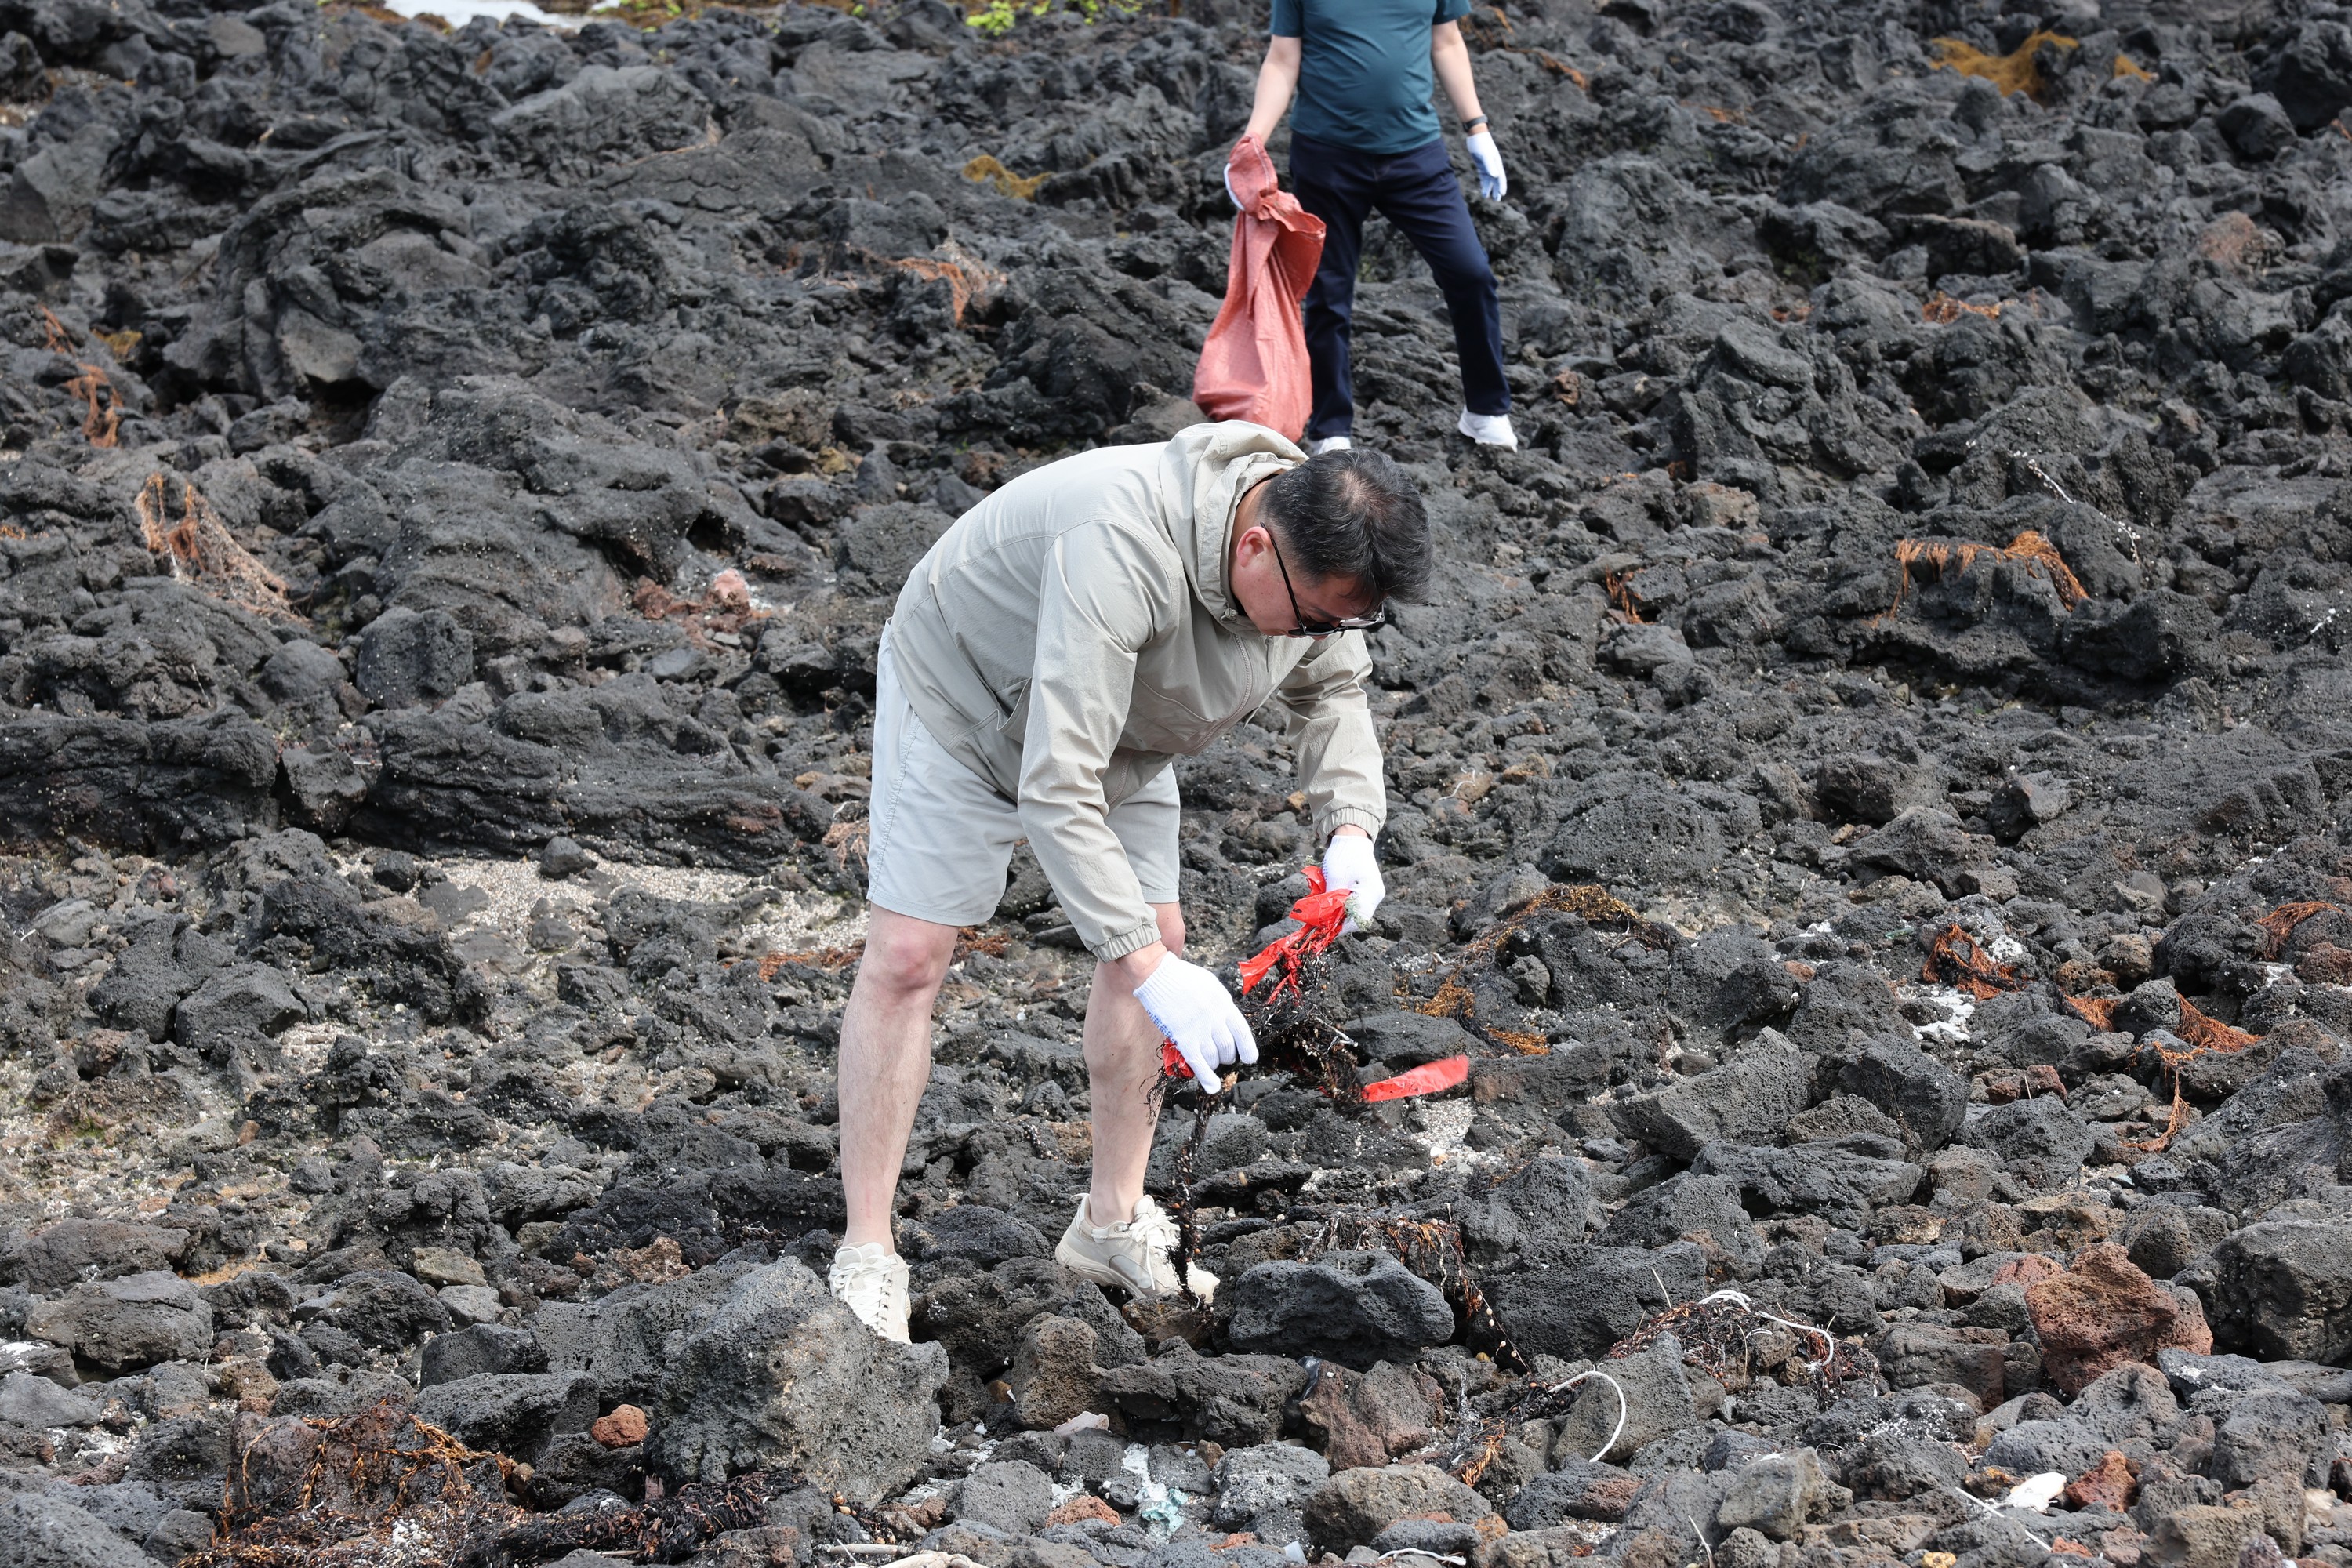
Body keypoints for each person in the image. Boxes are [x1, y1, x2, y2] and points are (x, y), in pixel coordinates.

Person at [826, 423, 1429, 1341]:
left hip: (1128, 727)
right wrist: (1146, 965)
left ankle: (1109, 1220)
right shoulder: (1120, 540)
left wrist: (1351, 829)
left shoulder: (1309, 571)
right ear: (1256, 546)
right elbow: (1056, 782)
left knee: (1159, 940)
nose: (1318, 637)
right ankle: (868, 1250)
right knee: (911, 954)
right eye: (1312, 617)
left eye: (1344, 621)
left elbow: (1334, 692)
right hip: (965, 695)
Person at [1234, 0, 1517, 455]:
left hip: (1416, 155)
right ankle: (1331, 429)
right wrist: (1253, 141)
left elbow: (1445, 41)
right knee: (1329, 295)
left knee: (1471, 274)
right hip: (1327, 157)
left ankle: (1485, 411)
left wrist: (1476, 127)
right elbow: (1284, 58)